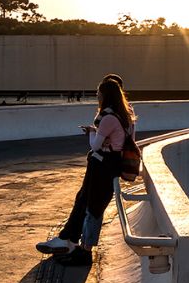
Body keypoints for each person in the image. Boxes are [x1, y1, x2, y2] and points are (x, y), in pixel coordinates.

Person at [37, 77, 136, 264]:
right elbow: (127, 139)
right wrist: (105, 138)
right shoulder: (126, 116)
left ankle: (85, 252)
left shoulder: (108, 118)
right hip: (112, 163)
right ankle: (74, 243)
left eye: (98, 93)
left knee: (94, 208)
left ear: (105, 96)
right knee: (88, 202)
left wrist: (92, 133)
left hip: (103, 165)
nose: (96, 95)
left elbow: (96, 146)